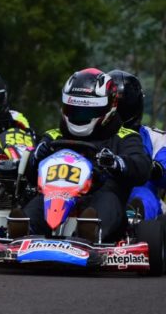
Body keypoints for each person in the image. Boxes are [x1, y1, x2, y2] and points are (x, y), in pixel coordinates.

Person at [14, 68, 150, 242]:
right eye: (75, 110)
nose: (80, 116)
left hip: (102, 198)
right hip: (55, 197)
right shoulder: (53, 136)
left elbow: (142, 167)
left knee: (108, 198)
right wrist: (35, 158)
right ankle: (25, 227)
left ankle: (90, 230)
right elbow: (30, 177)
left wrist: (116, 163)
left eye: (87, 112)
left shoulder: (124, 137)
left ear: (110, 107)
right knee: (41, 198)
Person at [109, 70, 166, 220]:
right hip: (97, 188)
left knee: (143, 195)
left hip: (139, 192)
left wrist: (151, 168)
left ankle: (132, 228)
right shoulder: (91, 135)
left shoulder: (156, 138)